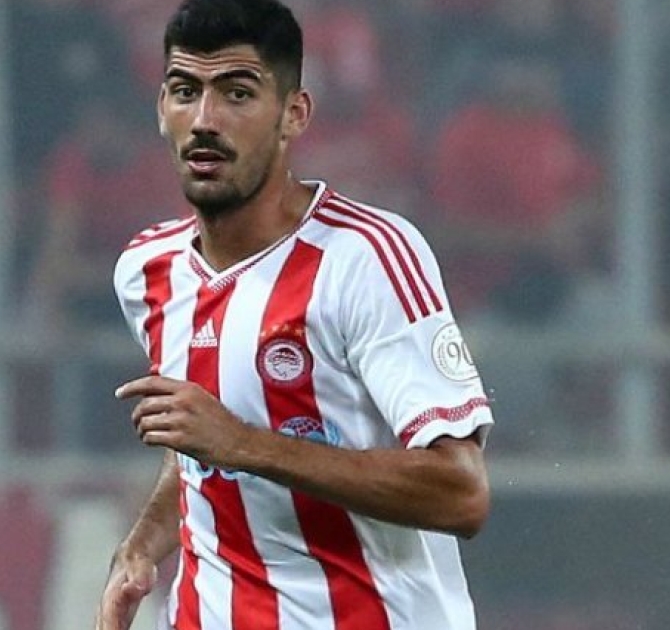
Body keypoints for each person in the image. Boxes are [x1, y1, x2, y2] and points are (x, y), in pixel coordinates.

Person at [97, 2, 494, 629]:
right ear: (161, 108)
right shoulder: (147, 270)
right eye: (185, 91)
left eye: (237, 93)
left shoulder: (364, 258)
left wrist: (243, 444)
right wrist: (142, 547)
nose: (205, 120)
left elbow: (461, 492)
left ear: (294, 115)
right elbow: (201, 443)